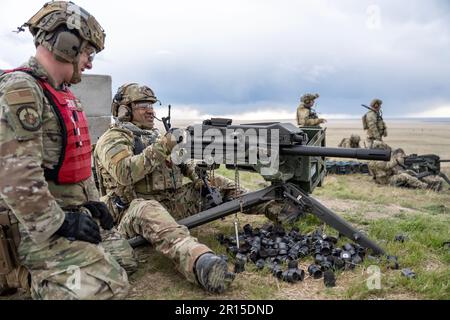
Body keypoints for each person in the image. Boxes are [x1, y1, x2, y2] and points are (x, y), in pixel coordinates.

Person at [0, 1, 131, 299]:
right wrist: (62, 223)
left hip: (66, 213)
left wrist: (91, 203)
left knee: (124, 261)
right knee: (109, 287)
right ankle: (20, 275)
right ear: (67, 45)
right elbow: (16, 177)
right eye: (88, 52)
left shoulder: (62, 94)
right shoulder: (21, 89)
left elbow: (70, 163)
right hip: (32, 227)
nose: (90, 62)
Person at [94, 83, 239, 294]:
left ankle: (277, 208)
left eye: (152, 104)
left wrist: (200, 180)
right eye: (142, 104)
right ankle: (201, 262)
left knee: (221, 183)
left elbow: (184, 164)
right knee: (147, 208)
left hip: (168, 205)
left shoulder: (154, 136)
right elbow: (124, 172)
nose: (150, 109)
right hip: (131, 213)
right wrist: (163, 146)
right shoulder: (114, 138)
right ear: (124, 110)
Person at [368, 142, 444, 191]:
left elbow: (387, 169)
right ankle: (427, 188)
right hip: (387, 181)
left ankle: (432, 183)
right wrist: (397, 160)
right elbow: (387, 166)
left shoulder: (374, 160)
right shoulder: (376, 162)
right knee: (405, 176)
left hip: (387, 178)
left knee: (409, 172)